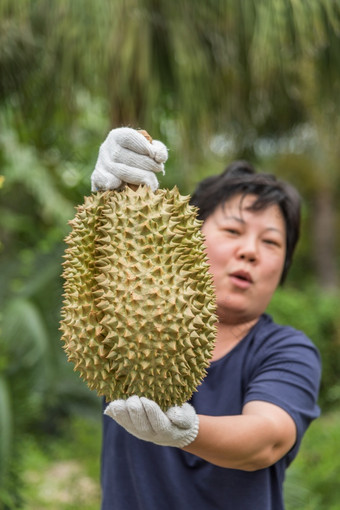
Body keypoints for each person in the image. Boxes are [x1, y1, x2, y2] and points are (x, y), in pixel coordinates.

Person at [91, 127, 321, 510]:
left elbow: (267, 439)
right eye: (233, 230)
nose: (249, 251)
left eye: (270, 242)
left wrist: (185, 431)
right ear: (188, 238)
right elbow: (114, 262)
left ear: (284, 268)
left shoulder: (287, 349)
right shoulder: (128, 318)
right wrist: (116, 189)